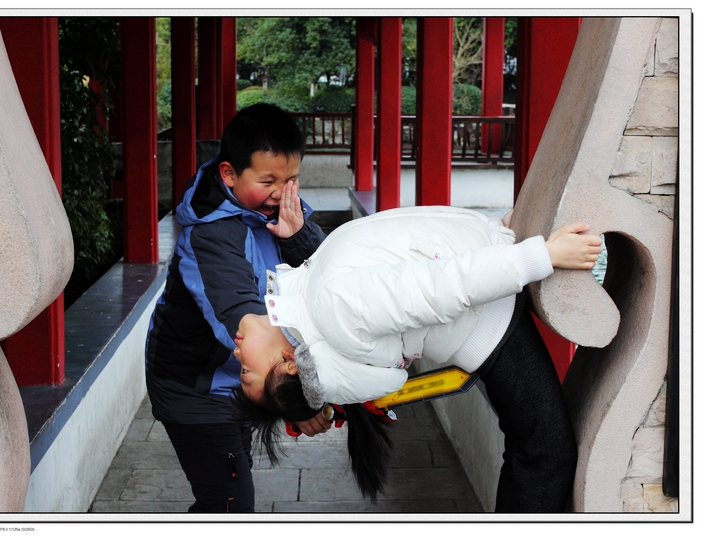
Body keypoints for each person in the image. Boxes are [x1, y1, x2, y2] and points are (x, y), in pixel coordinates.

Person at [231, 205, 603, 512]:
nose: (235, 351)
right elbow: (442, 288)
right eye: (246, 370)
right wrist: (543, 256)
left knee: (540, 447)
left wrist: (495, 231)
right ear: (289, 362)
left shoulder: (314, 305)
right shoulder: (334, 309)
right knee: (546, 451)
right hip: (490, 319)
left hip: (489, 294)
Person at [145, 104, 328, 513]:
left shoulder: (281, 216)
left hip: (241, 380)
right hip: (196, 389)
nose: (281, 192)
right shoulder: (209, 235)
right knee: (230, 505)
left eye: (291, 180)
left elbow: (327, 282)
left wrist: (298, 238)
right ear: (229, 174)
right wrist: (295, 399)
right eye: (268, 181)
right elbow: (246, 321)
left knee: (228, 492)